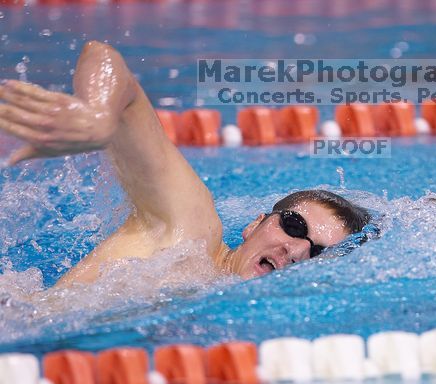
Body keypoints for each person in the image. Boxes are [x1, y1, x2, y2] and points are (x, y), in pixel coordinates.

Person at [0, 41, 370, 287]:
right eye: (294, 225)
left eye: (319, 252)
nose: (298, 250)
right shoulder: (190, 231)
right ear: (254, 224)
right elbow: (105, 57)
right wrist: (98, 116)